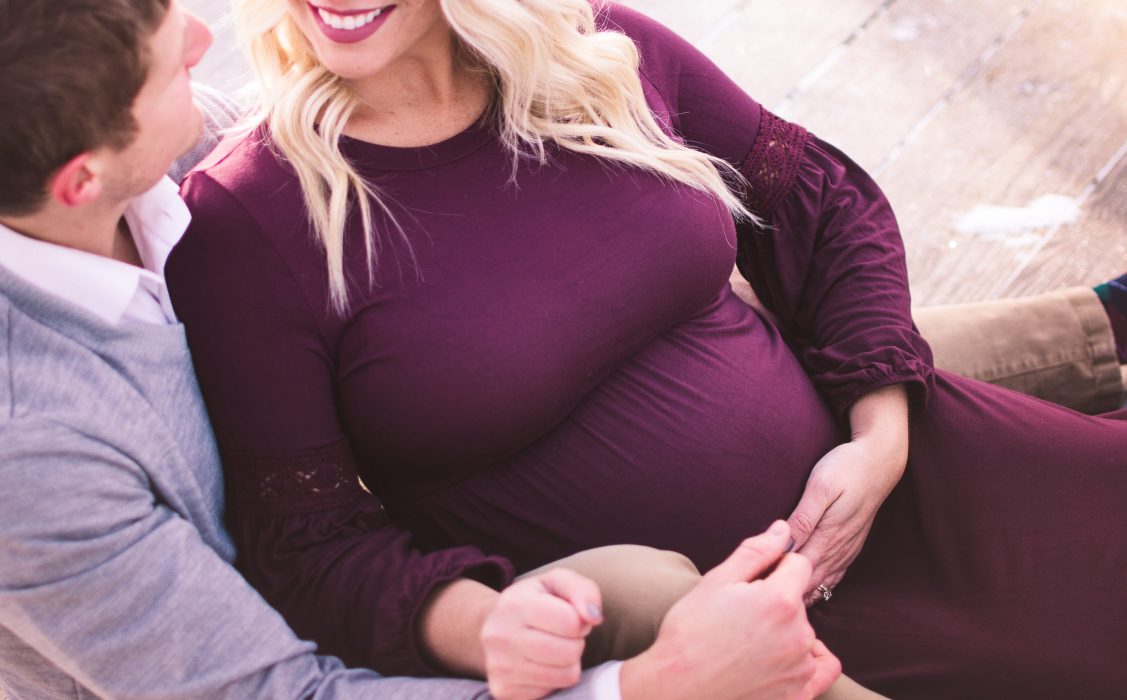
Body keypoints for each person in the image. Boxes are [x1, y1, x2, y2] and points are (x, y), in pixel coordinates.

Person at [167, 0, 1127, 695]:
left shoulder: (595, 51)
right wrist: (489, 624)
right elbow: (309, 549)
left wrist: (878, 440)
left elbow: (821, 207)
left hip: (908, 474)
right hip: (728, 637)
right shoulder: (250, 219)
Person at [0, 1, 850, 698]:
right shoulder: (33, 457)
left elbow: (809, 200)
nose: (200, 35)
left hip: (762, 529)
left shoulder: (153, 144)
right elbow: (275, 688)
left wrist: (872, 423)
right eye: (165, 63)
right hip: (349, 662)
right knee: (640, 591)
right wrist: (640, 689)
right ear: (82, 179)